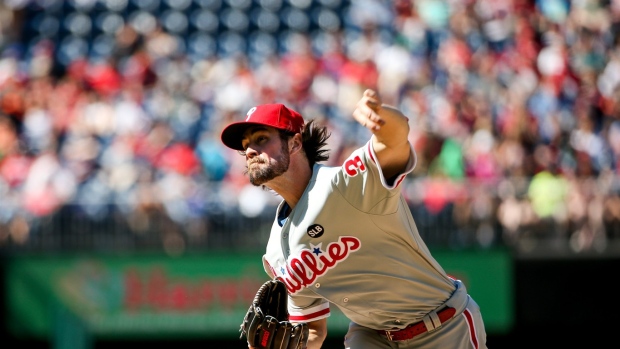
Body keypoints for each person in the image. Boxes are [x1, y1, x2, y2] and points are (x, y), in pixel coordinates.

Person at [220, 89, 488, 349]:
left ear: (295, 143)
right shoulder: (277, 251)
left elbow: (395, 139)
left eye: (261, 138)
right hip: (372, 336)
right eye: (246, 146)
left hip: (442, 325)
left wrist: (382, 117)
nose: (250, 151)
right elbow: (313, 330)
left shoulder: (344, 184)